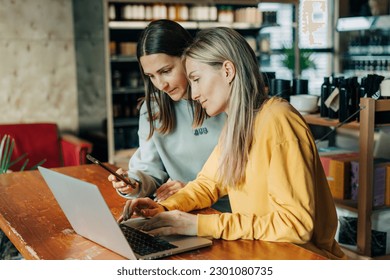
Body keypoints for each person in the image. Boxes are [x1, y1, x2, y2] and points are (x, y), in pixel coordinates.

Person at [119, 27, 346, 260]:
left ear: (227, 71)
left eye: (196, 79)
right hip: (260, 251)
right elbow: (208, 184)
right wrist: (165, 208)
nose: (194, 94)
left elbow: (296, 225)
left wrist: (200, 225)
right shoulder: (237, 123)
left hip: (301, 257)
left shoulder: (278, 119)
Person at [108, 20, 229, 211]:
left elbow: (250, 176)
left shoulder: (224, 102)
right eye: (151, 76)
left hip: (230, 214)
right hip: (184, 212)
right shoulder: (153, 110)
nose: (160, 84)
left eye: (166, 71)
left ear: (188, 57)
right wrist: (133, 184)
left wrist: (192, 191)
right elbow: (150, 170)